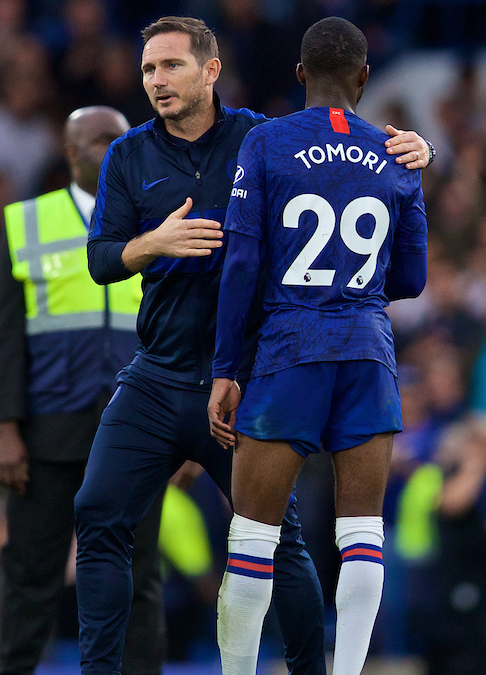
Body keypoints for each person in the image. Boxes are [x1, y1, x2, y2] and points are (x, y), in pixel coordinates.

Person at [76, 15, 433, 675]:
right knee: (97, 512)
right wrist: (152, 243)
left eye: (171, 66)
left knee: (273, 542)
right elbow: (98, 259)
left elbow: (259, 251)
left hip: (248, 373)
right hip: (161, 374)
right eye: (149, 68)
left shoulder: (262, 138)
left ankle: (300, 669)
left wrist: (413, 151)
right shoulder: (128, 154)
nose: (156, 80)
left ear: (212, 71)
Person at [207, 17, 429, 675]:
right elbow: (412, 279)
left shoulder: (266, 142)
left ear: (301, 74)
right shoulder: (399, 152)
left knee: (253, 535)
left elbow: (241, 263)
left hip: (288, 349)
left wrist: (225, 368)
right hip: (366, 351)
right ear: (364, 77)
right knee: (362, 532)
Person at [0, 106, 166, 675]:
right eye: (99, 141)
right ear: (70, 152)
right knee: (30, 581)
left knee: (138, 579)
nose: (113, 149)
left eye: (121, 139)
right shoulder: (26, 222)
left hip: (139, 432)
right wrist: (6, 428)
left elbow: (183, 329)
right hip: (47, 433)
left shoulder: (160, 223)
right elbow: (4, 337)